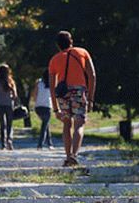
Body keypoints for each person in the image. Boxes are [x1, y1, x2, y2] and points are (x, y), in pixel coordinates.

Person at [48, 30, 96, 167]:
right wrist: (91, 98)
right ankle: (74, 155)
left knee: (66, 123)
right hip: (78, 91)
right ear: (71, 41)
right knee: (79, 122)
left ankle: (68, 156)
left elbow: (52, 86)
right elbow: (92, 75)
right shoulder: (82, 52)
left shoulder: (54, 60)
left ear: (58, 45)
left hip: (62, 93)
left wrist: (56, 108)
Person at [0, 64, 17, 150]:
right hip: (9, 105)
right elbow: (15, 95)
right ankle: (9, 140)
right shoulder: (11, 81)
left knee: (2, 125)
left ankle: (3, 144)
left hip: (0, 105)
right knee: (9, 124)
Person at [31, 70, 54, 149]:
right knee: (44, 125)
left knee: (45, 124)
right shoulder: (51, 84)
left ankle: (50, 144)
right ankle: (40, 144)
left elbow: (34, 94)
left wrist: (35, 101)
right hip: (47, 106)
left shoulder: (38, 83)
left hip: (38, 107)